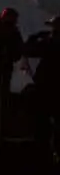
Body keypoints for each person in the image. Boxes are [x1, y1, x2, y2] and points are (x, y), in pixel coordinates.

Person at [23, 15, 60, 160]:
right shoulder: (51, 42)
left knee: (42, 124)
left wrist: (34, 37)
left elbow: (28, 50)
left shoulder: (51, 43)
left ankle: (44, 156)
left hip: (47, 89)